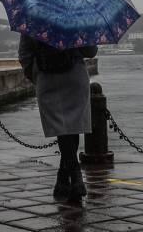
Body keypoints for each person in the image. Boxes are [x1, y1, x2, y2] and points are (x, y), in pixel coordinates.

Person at [18, 34, 97, 201]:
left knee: (61, 127)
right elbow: (91, 51)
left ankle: (66, 176)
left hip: (47, 76)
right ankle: (73, 176)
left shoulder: (34, 20)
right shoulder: (77, 18)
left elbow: (24, 54)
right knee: (72, 125)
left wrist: (36, 75)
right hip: (75, 74)